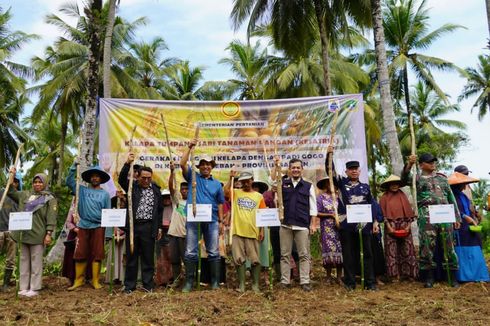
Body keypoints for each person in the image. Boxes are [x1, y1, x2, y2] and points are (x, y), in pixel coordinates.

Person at [401, 153, 461, 288]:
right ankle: (429, 276)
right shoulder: (416, 179)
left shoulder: (442, 179)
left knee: (449, 244)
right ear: (421, 165)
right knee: (427, 246)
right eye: (429, 162)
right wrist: (410, 164)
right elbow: (404, 179)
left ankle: (451, 276)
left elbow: (451, 197)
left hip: (445, 214)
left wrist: (456, 217)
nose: (433, 163)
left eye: (434, 161)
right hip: (427, 215)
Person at [325, 147, 379, 291]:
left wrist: (375, 221)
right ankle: (350, 282)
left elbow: (372, 205)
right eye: (351, 169)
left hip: (365, 224)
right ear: (347, 171)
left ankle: (370, 282)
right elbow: (330, 171)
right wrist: (329, 155)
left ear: (359, 171)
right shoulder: (342, 184)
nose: (354, 171)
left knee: (367, 253)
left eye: (356, 169)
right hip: (347, 225)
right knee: (348, 254)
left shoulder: (365, 187)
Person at [180, 137, 224, 293]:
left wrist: (220, 221)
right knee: (191, 250)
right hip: (194, 219)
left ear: (211, 167)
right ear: (199, 166)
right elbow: (182, 164)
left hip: (211, 220)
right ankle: (189, 282)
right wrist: (189, 147)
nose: (206, 166)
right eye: (203, 164)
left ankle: (215, 282)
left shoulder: (217, 184)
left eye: (208, 164)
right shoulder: (193, 177)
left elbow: (220, 203)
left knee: (213, 251)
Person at [119, 154, 163, 293]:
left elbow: (159, 210)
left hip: (148, 227)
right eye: (143, 177)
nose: (146, 180)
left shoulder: (156, 191)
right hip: (133, 226)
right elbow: (121, 179)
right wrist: (127, 163)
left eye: (148, 178)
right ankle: (129, 286)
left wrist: (159, 227)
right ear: (138, 176)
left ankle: (148, 285)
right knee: (132, 257)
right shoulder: (132, 188)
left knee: (148, 258)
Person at [8, 171, 57, 297]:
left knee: (36, 262)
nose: (37, 184)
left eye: (40, 182)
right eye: (35, 182)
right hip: (23, 233)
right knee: (23, 261)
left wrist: (49, 234)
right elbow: (10, 191)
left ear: (45, 183)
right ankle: (24, 287)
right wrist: (11, 176)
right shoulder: (25, 195)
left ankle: (35, 288)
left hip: (38, 234)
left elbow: (51, 218)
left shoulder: (50, 199)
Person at [66, 164, 111, 290]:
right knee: (80, 253)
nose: (95, 178)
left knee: (98, 253)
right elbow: (69, 181)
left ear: (101, 179)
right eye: (93, 176)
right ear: (89, 178)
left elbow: (107, 213)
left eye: (97, 176)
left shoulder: (105, 195)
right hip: (83, 225)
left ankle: (95, 280)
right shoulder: (82, 190)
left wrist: (107, 233)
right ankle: (78, 280)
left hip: (99, 226)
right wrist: (73, 167)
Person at [276, 157, 317, 292]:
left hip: (302, 224)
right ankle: (285, 281)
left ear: (302, 170)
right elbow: (273, 184)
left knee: (304, 254)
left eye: (298, 168)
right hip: (285, 224)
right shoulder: (282, 183)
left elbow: (313, 208)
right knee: (284, 254)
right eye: (293, 168)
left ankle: (305, 281)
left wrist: (312, 224)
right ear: (289, 169)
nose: (295, 170)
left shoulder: (308, 186)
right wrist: (277, 165)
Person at [224, 169, 266, 293]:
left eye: (248, 180)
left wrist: (262, 230)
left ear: (252, 180)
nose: (246, 183)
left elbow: (262, 214)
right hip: (237, 231)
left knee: (255, 259)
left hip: (253, 231)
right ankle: (242, 284)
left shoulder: (259, 196)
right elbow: (225, 192)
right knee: (239, 259)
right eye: (243, 181)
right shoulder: (236, 192)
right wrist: (230, 178)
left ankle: (255, 284)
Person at [449, 172, 490, 282]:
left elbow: (469, 209)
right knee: (461, 249)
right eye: (464, 183)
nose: (465, 185)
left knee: (475, 245)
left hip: (469, 227)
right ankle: (464, 275)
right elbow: (455, 211)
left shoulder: (464, 196)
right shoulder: (451, 196)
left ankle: (477, 274)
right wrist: (468, 218)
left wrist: (474, 215)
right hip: (459, 227)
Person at [379, 175, 418, 282]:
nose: (394, 186)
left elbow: (410, 213)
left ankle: (409, 274)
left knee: (407, 249)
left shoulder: (403, 195)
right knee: (391, 251)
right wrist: (388, 226)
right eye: (392, 184)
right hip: (390, 225)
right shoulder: (384, 198)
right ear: (388, 185)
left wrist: (408, 226)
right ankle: (394, 275)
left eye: (396, 184)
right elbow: (383, 214)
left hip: (404, 224)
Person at [316, 177, 343, 284]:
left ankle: (339, 276)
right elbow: (317, 212)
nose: (331, 186)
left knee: (341, 251)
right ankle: (328, 276)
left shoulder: (340, 197)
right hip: (327, 228)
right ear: (325, 185)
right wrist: (331, 215)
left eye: (333, 183)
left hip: (340, 228)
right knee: (328, 251)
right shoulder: (321, 197)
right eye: (328, 184)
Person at [168, 161, 188, 287]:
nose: (185, 191)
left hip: (186, 235)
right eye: (183, 189)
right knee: (174, 259)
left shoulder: (193, 202)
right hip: (173, 233)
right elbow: (170, 187)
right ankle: (176, 280)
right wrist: (171, 172)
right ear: (180, 190)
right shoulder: (177, 201)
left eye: (187, 189)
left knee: (187, 259)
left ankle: (188, 281)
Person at [0, 174, 21, 291]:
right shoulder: (1, 193)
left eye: (15, 182)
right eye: (12, 181)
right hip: (0, 229)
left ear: (18, 183)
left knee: (10, 259)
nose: (13, 183)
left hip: (13, 231)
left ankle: (6, 284)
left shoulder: (20, 197)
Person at [104, 190, 126, 285]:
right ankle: (113, 277)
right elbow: (108, 226)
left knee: (122, 257)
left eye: (122, 202)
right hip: (113, 238)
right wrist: (112, 236)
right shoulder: (111, 213)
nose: (120, 204)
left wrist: (123, 236)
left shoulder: (127, 213)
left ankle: (122, 277)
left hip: (124, 239)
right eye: (119, 202)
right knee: (113, 256)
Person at [155, 189, 173, 287]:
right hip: (160, 234)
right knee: (160, 258)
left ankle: (171, 278)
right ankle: (162, 280)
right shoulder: (159, 209)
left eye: (168, 197)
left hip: (171, 234)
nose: (166, 199)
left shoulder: (174, 208)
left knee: (170, 256)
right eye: (164, 197)